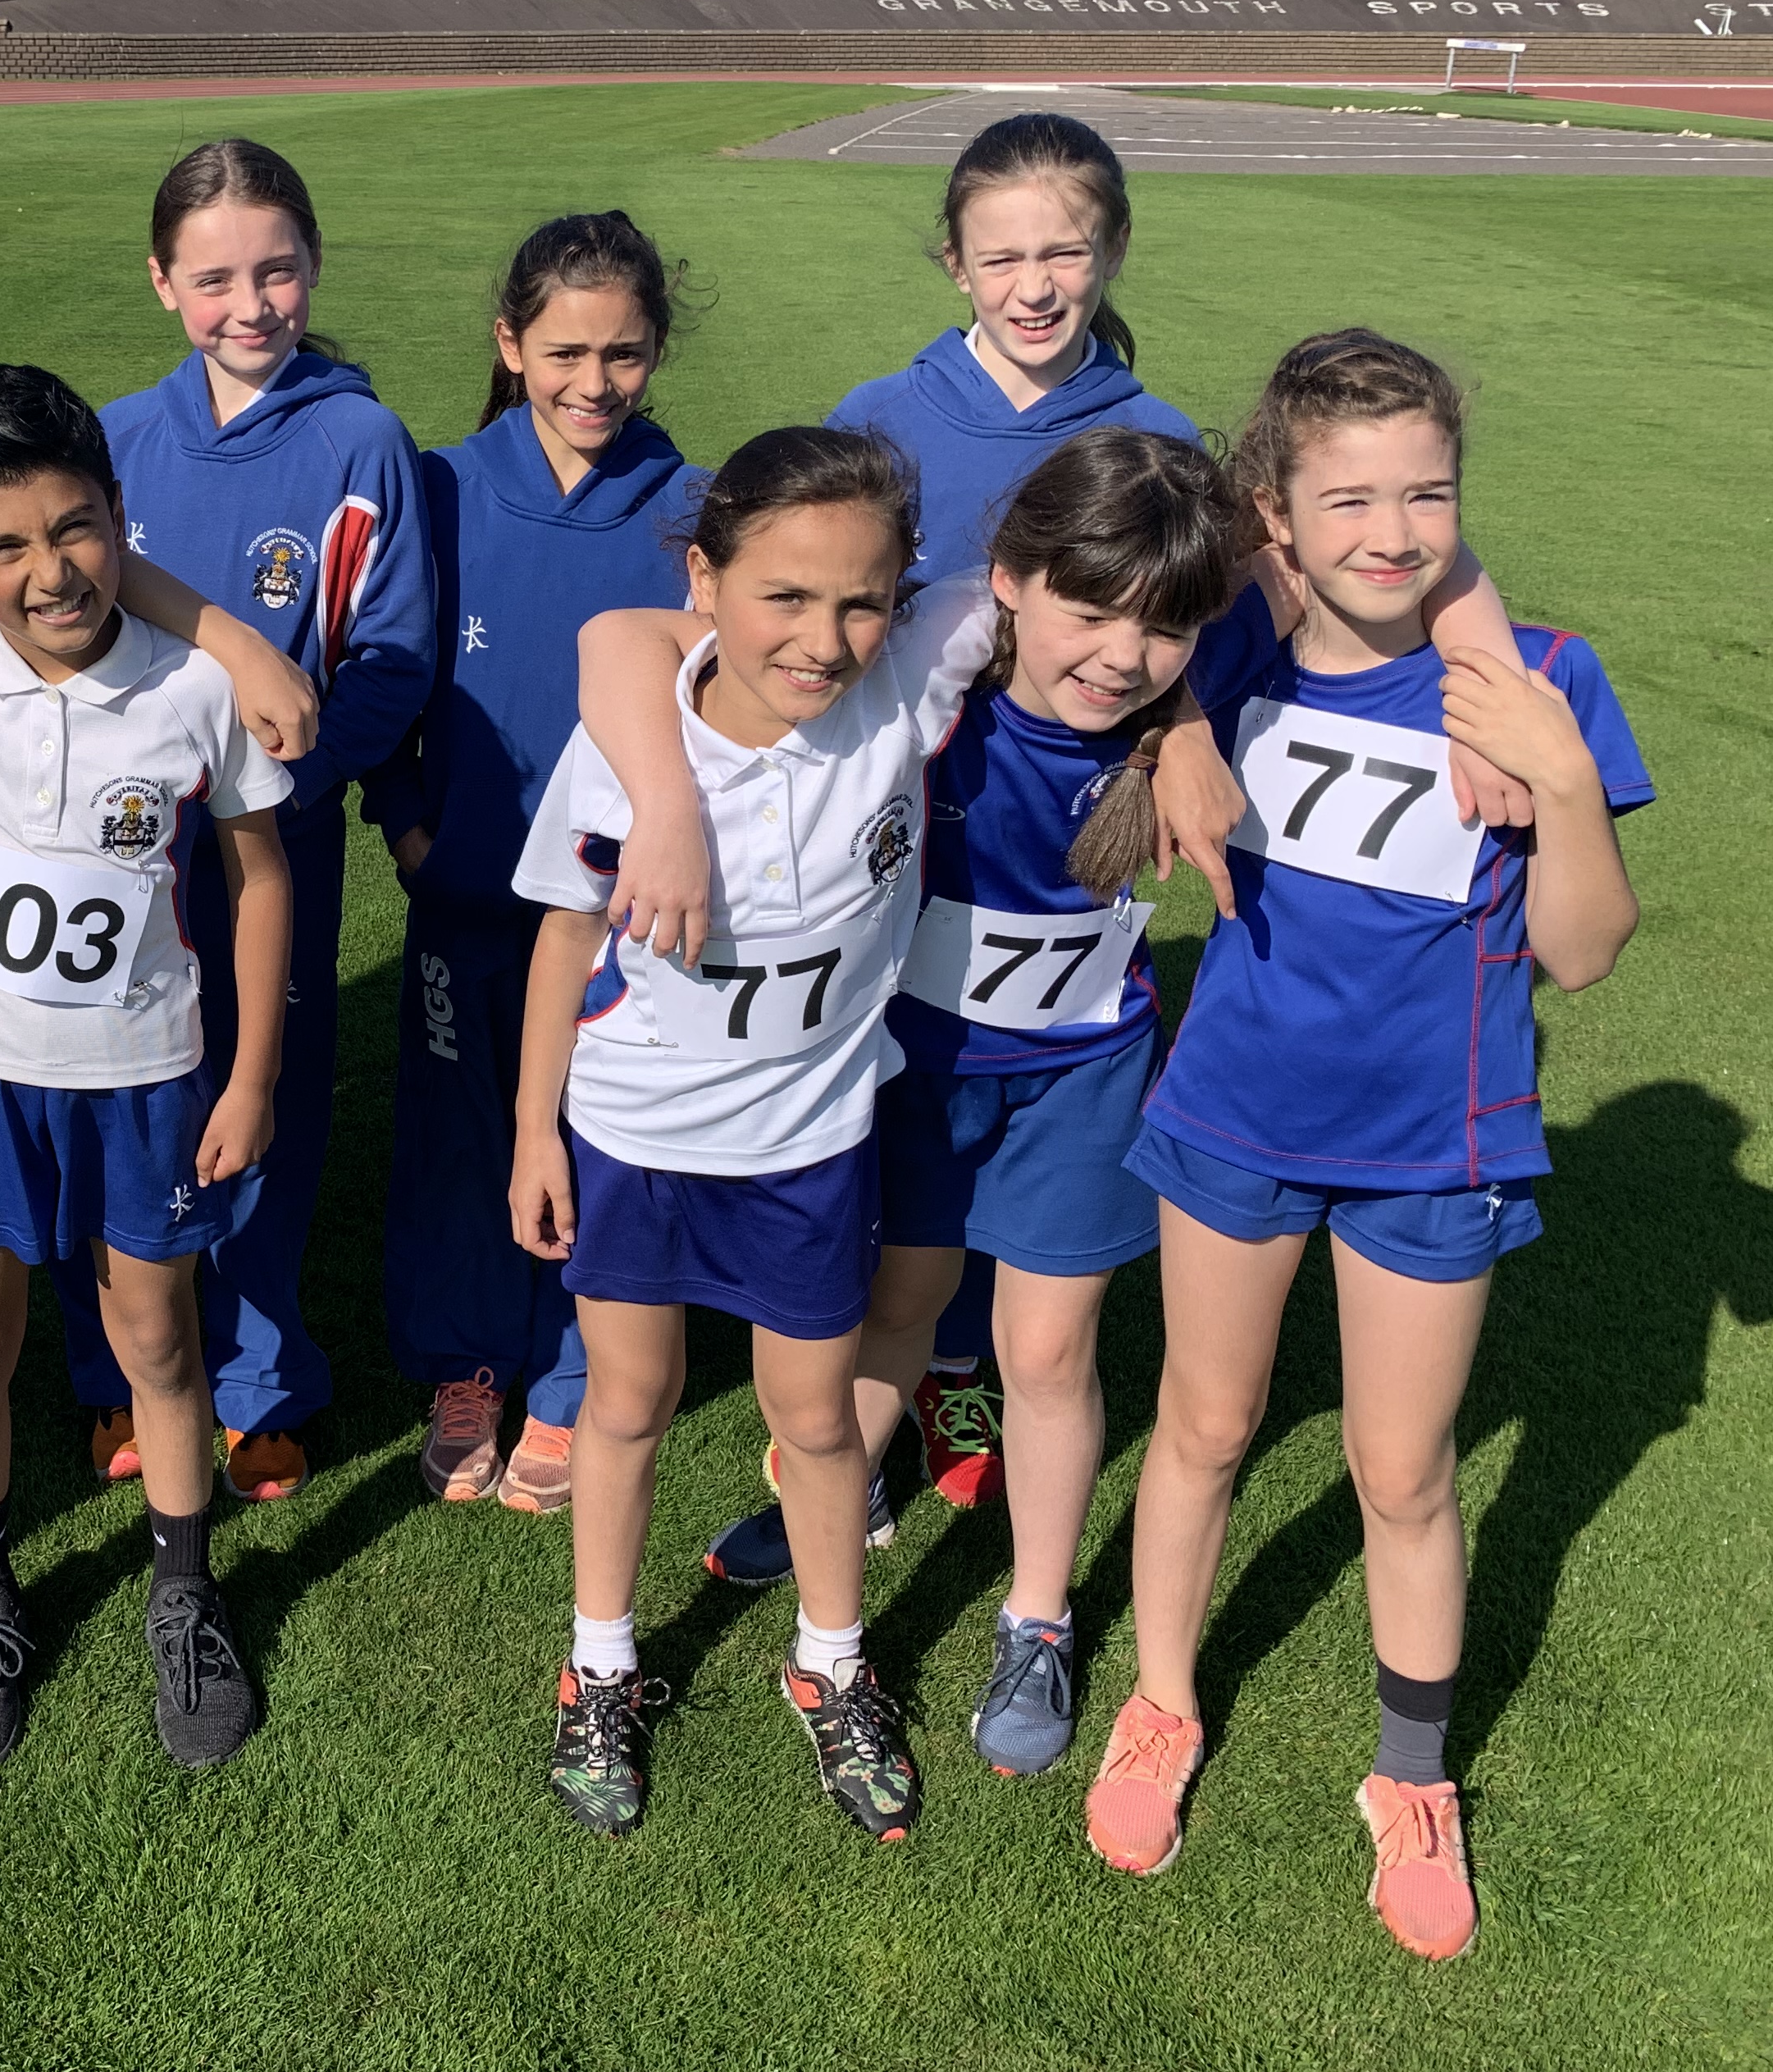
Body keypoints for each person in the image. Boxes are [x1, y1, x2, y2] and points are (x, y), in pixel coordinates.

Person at [1088, 331, 1647, 1963]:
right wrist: (1182, 728)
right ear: (1274, 511)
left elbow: (1585, 952)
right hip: (1234, 1115)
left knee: (1402, 1471)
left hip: (1434, 1144)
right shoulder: (1225, 653)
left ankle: (1411, 1774)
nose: (1392, 532)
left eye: (1426, 493)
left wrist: (1561, 777)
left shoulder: (1536, 675)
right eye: (1347, 499)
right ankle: (1162, 1702)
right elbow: (1124, 656)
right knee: (1203, 1424)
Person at [697, 430, 1258, 1782]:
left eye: (1163, 630)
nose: (1121, 655)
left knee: (1048, 1353)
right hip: (917, 1068)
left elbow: (1326, 568)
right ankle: (838, 1484)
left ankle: (1036, 1616)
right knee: (898, 1303)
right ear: (1008, 578)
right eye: (1090, 610)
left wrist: (1186, 719)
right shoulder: (927, 671)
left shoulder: (1181, 698)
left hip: (1083, 1072)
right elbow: (676, 648)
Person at [519, 427, 985, 1843]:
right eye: (783, 595)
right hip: (634, 1137)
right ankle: (601, 1665)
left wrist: (1191, 727)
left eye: (861, 601)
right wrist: (534, 1129)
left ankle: (830, 1663)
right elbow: (563, 936)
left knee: (818, 1419)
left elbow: (1083, 587)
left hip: (807, 1145)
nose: (824, 638)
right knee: (626, 1400)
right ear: (703, 580)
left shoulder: (903, 685)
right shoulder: (623, 749)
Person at [0, 366, 298, 1769]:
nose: (51, 570)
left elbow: (258, 872)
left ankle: (184, 1591)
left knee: (159, 1340)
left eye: (76, 527)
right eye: (3, 546)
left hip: (146, 1074)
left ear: (119, 514)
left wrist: (250, 1077)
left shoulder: (194, 683)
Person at [819, 109, 1205, 1512]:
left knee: (1031, 1133)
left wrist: (1187, 734)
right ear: (954, 263)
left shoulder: (1158, 435)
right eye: (1002, 257)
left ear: (1112, 249)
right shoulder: (884, 416)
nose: (1035, 286)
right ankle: (851, 1430)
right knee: (902, 1166)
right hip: (901, 851)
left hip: (1065, 862)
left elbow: (1187, 642)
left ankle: (963, 1371)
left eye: (1066, 252)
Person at [79, 138, 435, 1502]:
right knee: (123, 1090)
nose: (250, 304)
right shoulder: (113, 438)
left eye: (275, 270)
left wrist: (294, 773)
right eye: (215, 277)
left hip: (276, 839)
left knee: (260, 1082)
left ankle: (260, 1377)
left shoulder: (361, 442)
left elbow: (393, 655)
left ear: (313, 268)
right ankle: (119, 1365)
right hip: (121, 847)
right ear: (161, 281)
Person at [358, 211, 706, 1515]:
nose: (594, 383)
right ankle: (468, 1364)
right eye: (565, 352)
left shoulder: (692, 505)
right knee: (460, 1131)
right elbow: (384, 667)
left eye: (624, 353)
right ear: (511, 344)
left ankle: (568, 1374)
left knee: (592, 1133)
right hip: (467, 895)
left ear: (655, 350)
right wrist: (410, 826)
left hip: (615, 914)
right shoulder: (440, 486)